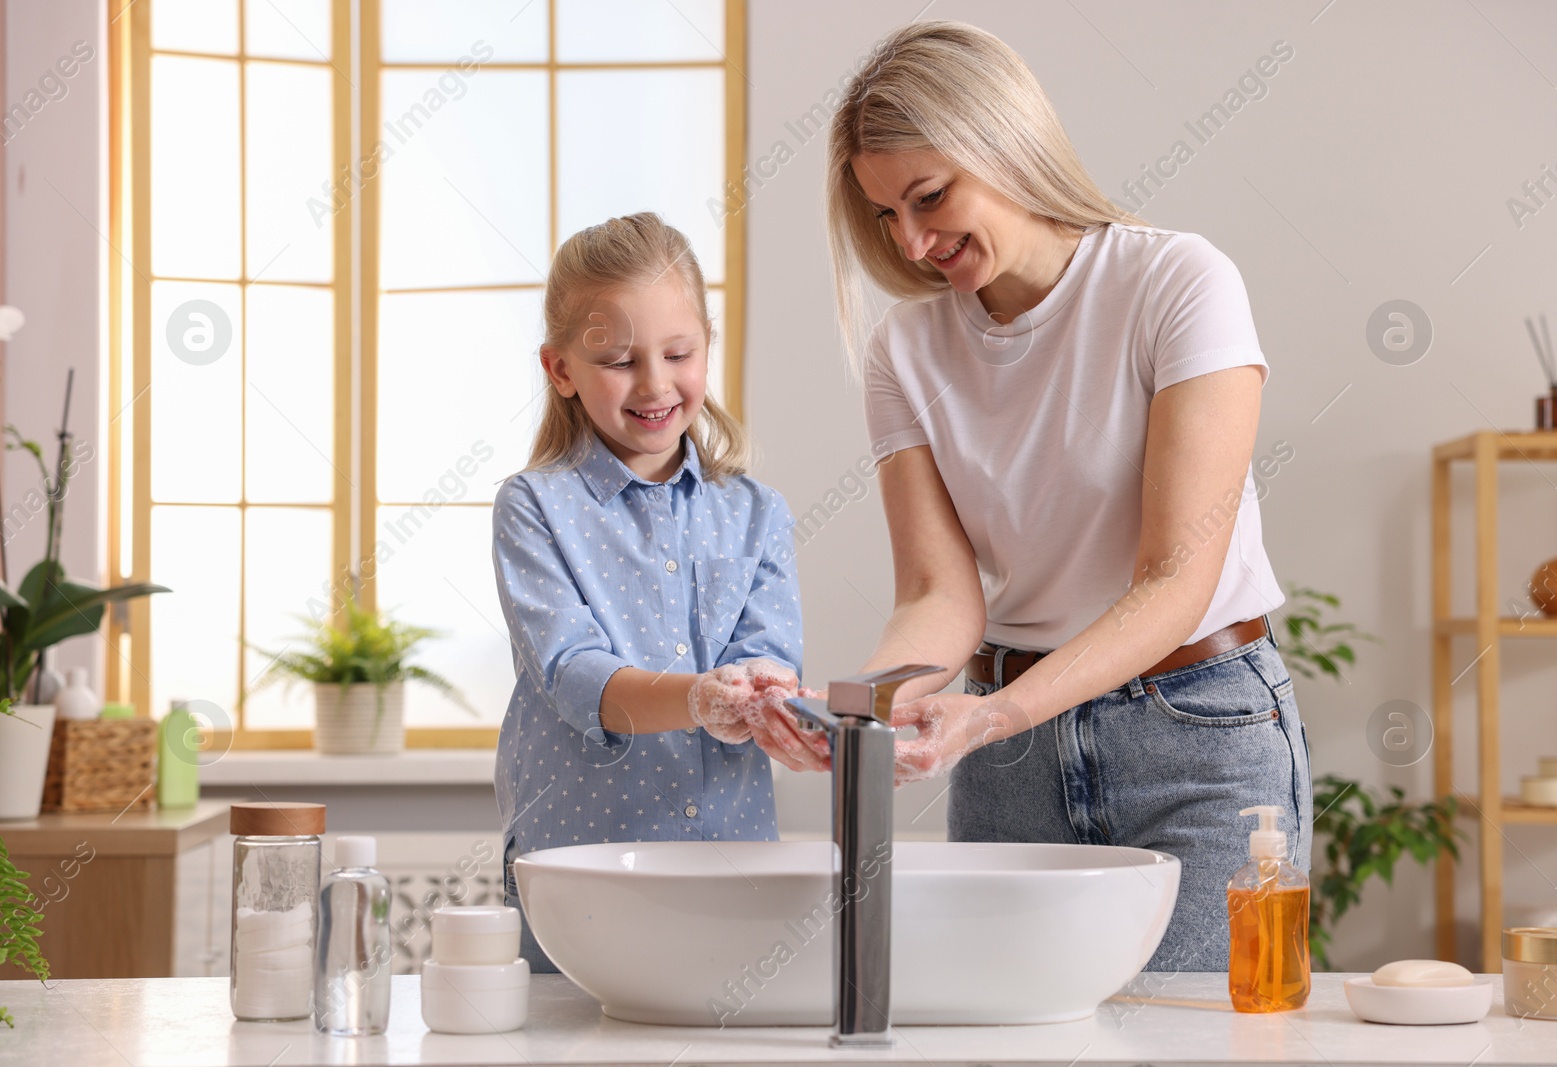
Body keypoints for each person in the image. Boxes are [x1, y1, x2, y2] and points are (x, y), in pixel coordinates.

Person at [824, 22, 1310, 973]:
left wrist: (995, 715)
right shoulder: (906, 349)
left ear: (1005, 139)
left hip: (1196, 733)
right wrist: (858, 709)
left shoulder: (1177, 283)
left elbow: (1175, 575)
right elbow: (938, 595)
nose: (916, 242)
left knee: (1199, 1040)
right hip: (1009, 761)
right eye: (886, 216)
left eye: (930, 197)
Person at [492, 213, 826, 972]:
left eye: (679, 353)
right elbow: (572, 671)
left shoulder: (756, 513)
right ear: (561, 368)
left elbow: (768, 654)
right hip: (577, 870)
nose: (654, 383)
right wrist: (699, 698)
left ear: (706, 347)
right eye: (617, 359)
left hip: (730, 868)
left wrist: (767, 693)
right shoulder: (534, 507)